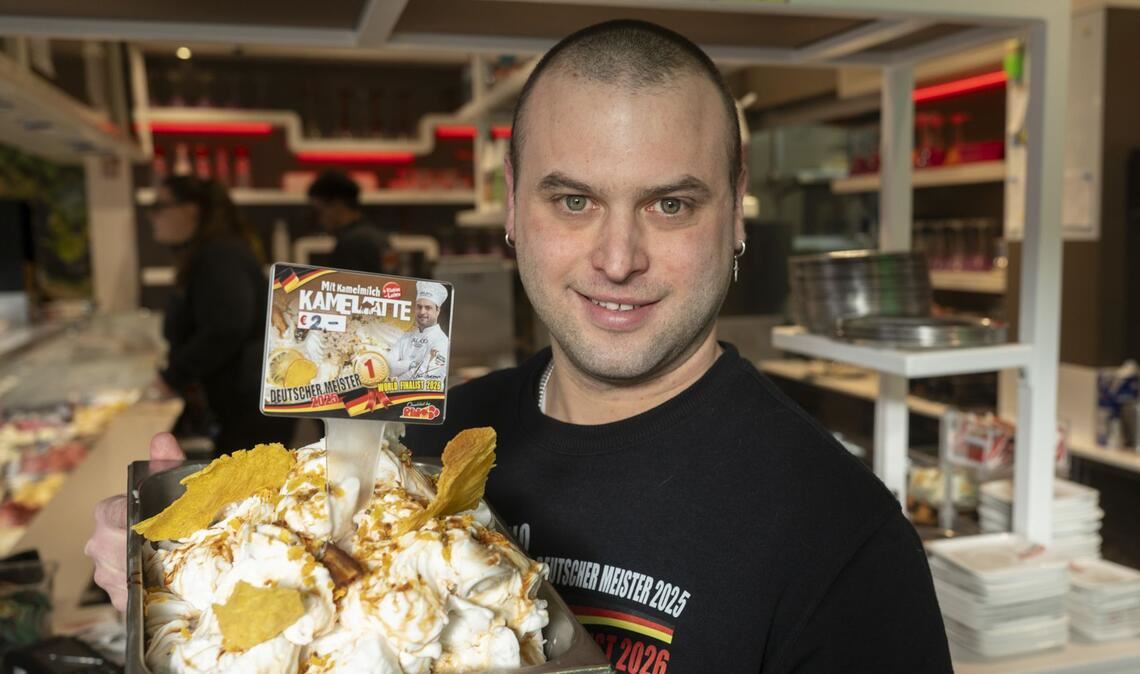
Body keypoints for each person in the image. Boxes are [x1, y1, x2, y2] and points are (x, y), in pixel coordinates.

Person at [88, 20, 952, 673]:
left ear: (736, 210)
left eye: (671, 205)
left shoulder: (843, 540)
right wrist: (184, 600)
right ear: (510, 208)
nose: (619, 259)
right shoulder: (418, 443)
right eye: (572, 201)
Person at [150, 176, 295, 456]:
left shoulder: (220, 255)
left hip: (249, 408)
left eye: (159, 205)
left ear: (190, 210)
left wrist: (172, 377)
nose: (152, 216)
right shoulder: (217, 252)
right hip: (245, 403)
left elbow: (225, 328)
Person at [306, 170, 388, 273]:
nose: (319, 220)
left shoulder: (349, 245)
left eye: (320, 211)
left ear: (337, 205)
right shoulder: (379, 237)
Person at [389, 281, 450, 382]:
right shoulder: (406, 337)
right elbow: (387, 366)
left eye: (428, 307)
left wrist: (394, 381)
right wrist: (412, 364)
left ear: (437, 310)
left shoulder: (441, 341)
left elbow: (422, 377)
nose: (422, 312)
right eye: (419, 306)